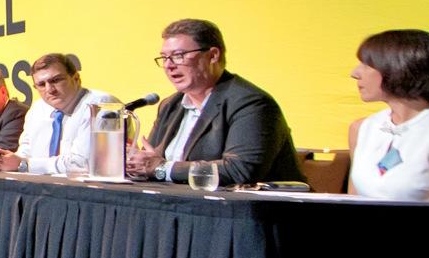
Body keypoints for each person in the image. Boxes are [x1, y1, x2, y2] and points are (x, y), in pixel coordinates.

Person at [127, 18, 301, 187]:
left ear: (212, 56)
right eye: (164, 58)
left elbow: (239, 170)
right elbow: (151, 161)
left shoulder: (251, 104)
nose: (169, 65)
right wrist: (136, 162)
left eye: (179, 56)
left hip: (248, 212)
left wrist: (162, 167)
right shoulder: (170, 105)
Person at [346, 29, 429, 204]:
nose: (355, 73)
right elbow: (353, 204)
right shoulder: (361, 129)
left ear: (398, 67)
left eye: (366, 65)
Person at [0, 54, 118, 177]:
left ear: (76, 79)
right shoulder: (38, 108)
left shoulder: (101, 105)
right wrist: (5, 160)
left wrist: (25, 164)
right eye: (41, 84)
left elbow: (82, 164)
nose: (50, 89)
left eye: (56, 80)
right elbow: (26, 152)